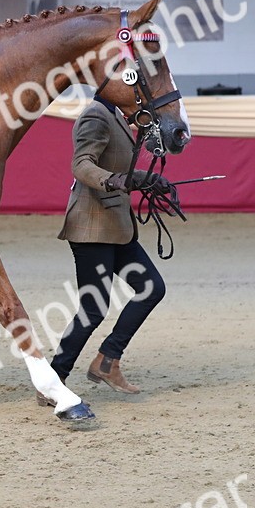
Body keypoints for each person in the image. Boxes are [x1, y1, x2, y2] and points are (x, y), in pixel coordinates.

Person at [39, 93, 172, 407]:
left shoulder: (118, 119)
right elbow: (82, 165)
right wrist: (112, 181)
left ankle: (108, 360)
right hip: (92, 229)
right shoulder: (96, 115)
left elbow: (117, 169)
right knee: (94, 307)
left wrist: (146, 179)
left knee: (151, 287)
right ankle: (53, 381)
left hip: (116, 227)